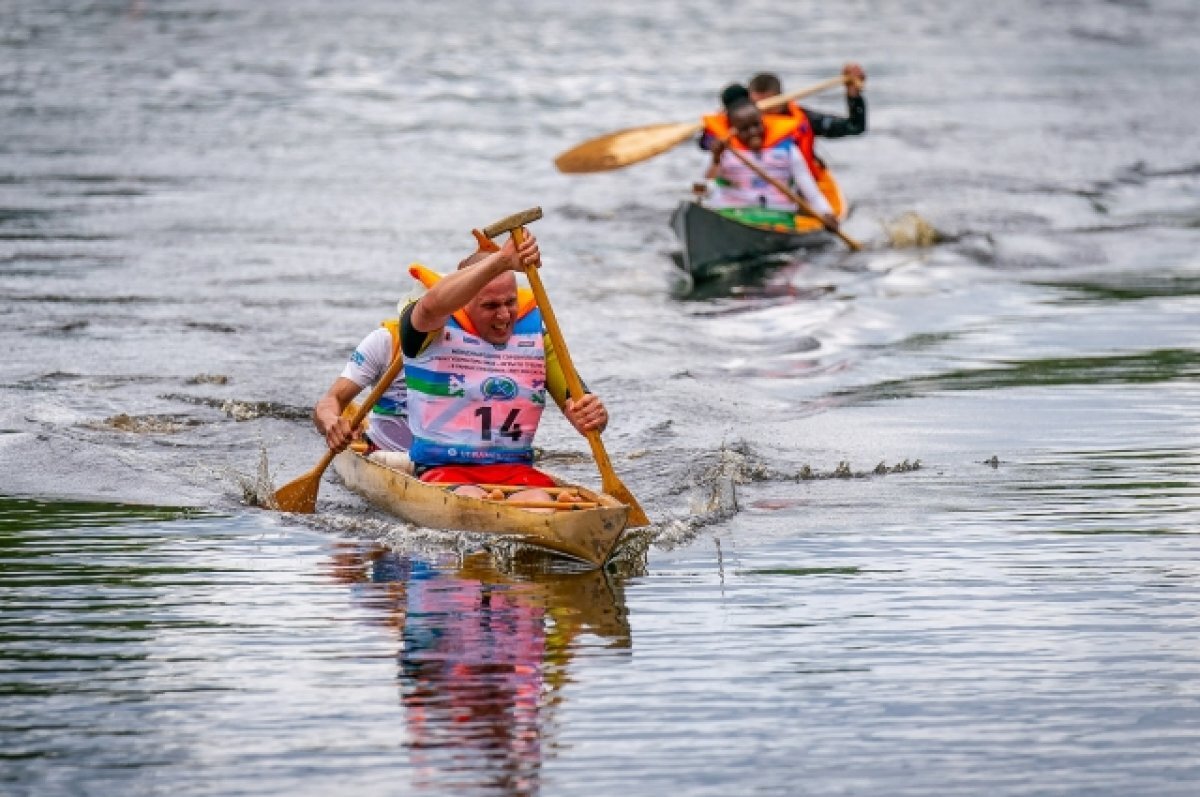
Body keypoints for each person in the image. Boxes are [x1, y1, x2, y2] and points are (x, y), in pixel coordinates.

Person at [398, 232, 608, 504]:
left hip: (515, 472)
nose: (504, 315)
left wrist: (594, 417)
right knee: (471, 498)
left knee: (539, 503)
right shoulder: (428, 328)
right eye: (490, 306)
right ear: (463, 303)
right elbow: (432, 305)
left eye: (510, 302)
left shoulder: (536, 339)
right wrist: (503, 260)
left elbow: (579, 406)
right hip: (444, 471)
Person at [701, 83, 839, 230]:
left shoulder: (788, 150)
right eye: (744, 129)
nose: (753, 132)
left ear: (763, 122)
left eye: (756, 125)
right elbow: (704, 187)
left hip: (778, 217)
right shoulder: (724, 151)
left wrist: (826, 214)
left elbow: (811, 193)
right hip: (733, 215)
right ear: (733, 130)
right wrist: (716, 158)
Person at [747, 63, 867, 181]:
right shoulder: (740, 124)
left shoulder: (804, 119)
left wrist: (853, 95)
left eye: (770, 105)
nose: (763, 112)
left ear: (782, 100)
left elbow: (855, 126)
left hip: (801, 184)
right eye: (757, 106)